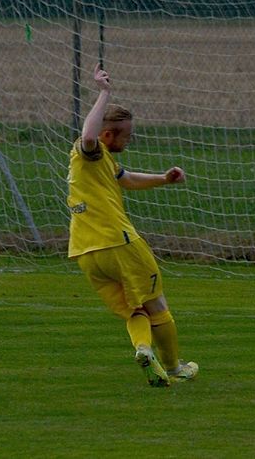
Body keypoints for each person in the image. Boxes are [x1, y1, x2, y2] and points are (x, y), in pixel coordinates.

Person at [68, 63, 198, 387]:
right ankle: (174, 368)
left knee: (134, 309)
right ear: (108, 134)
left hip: (85, 252)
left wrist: (164, 179)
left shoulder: (103, 162)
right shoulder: (91, 151)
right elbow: (88, 134)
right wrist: (104, 92)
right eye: (126, 135)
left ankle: (143, 349)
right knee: (158, 303)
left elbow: (126, 179)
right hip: (119, 243)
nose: (130, 140)